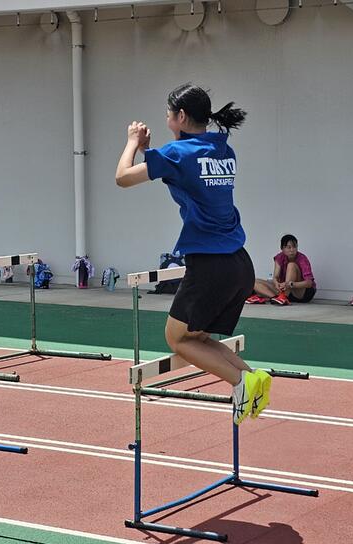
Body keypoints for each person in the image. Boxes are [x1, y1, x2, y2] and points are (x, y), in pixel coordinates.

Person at [115, 83, 271, 425]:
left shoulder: (177, 154)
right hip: (239, 263)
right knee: (197, 338)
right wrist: (150, 151)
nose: (166, 118)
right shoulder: (223, 150)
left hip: (210, 265)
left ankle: (240, 382)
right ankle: (252, 378)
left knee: (176, 338)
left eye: (168, 113)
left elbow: (122, 178)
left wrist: (132, 142)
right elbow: (183, 171)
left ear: (181, 116)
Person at [247, 234, 316, 305]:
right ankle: (275, 298)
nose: (292, 250)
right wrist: (276, 283)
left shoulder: (302, 259)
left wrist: (291, 284)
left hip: (301, 293)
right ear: (282, 248)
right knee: (254, 281)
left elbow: (309, 283)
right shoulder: (279, 257)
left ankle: (282, 297)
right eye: (289, 247)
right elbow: (275, 277)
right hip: (286, 290)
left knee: (291, 265)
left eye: (294, 247)